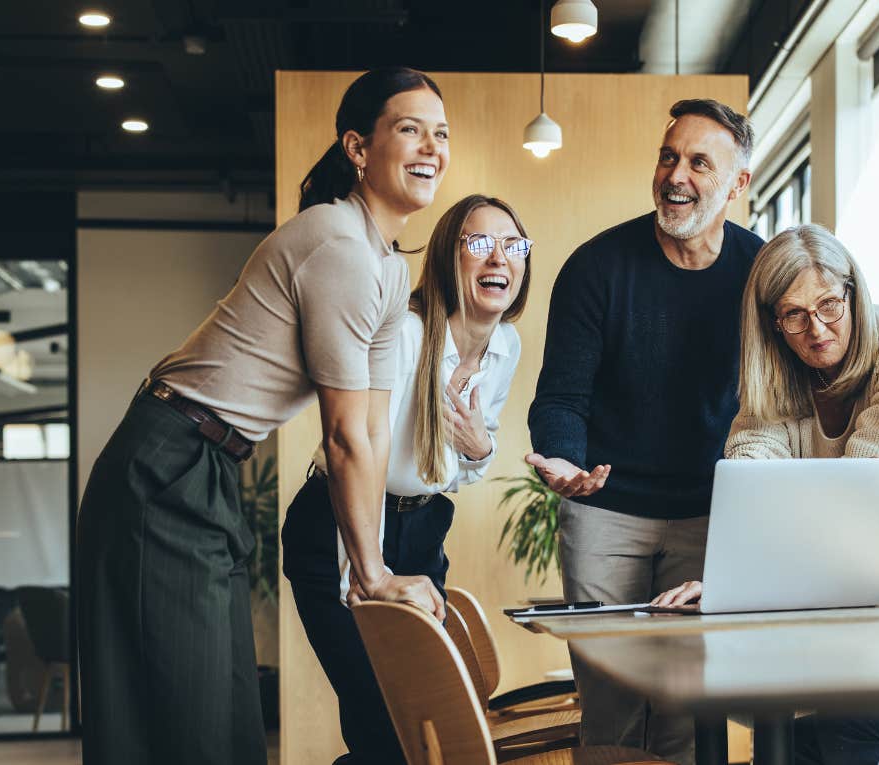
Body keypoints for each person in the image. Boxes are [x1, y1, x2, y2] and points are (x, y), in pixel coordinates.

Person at [75, 66, 449, 765]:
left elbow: (370, 428)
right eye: (409, 129)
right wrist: (368, 573)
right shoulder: (338, 244)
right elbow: (341, 436)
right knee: (187, 717)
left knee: (220, 714)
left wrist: (370, 571)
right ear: (359, 148)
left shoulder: (389, 267)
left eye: (441, 133)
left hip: (207, 463)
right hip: (166, 462)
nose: (431, 147)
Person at [527, 98, 762, 764]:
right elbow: (561, 397)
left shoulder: (760, 272)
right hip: (607, 511)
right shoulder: (596, 267)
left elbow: (780, 401)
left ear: (737, 185)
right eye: (667, 156)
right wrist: (565, 461)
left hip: (710, 513)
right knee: (611, 705)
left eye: (697, 161)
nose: (676, 175)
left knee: (688, 709)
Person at [282, 194, 531, 764]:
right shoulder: (407, 335)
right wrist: (362, 575)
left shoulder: (504, 347)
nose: (499, 258)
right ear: (449, 257)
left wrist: (480, 446)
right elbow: (359, 454)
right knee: (383, 724)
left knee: (424, 725)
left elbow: (465, 466)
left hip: (422, 532)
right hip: (341, 525)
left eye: (513, 245)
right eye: (479, 243)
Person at [651, 223, 879, 612]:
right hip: (825, 578)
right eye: (794, 314)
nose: (817, 329)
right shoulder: (776, 370)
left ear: (853, 293)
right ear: (773, 323)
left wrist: (749, 580)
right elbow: (753, 485)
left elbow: (861, 493)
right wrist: (731, 583)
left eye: (829, 304)